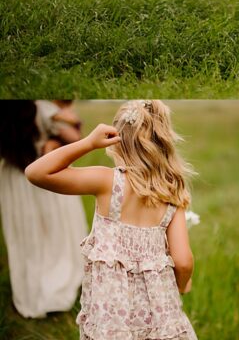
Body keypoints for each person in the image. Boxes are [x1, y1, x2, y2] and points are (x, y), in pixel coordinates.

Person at [25, 100, 197, 339]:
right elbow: (184, 260)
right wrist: (182, 285)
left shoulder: (107, 182)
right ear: (164, 142)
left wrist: (87, 143)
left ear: (117, 142)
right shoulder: (171, 193)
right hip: (159, 311)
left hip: (112, 314)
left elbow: (36, 172)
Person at [0, 100, 87, 319]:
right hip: (45, 173)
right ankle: (55, 284)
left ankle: (32, 287)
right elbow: (73, 137)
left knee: (27, 237)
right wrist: (60, 135)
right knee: (55, 231)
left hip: (14, 179)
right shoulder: (42, 108)